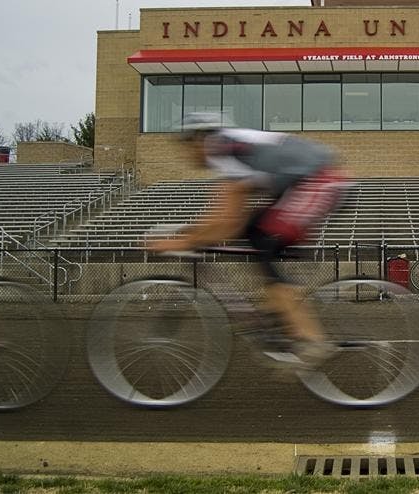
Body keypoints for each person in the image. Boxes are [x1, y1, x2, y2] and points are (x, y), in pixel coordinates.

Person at [149, 112, 348, 368]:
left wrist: (182, 241)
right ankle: (279, 308)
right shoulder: (229, 149)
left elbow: (227, 222)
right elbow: (222, 217)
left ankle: (311, 338)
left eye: (185, 146)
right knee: (253, 232)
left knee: (264, 238)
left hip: (321, 180)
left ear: (199, 139)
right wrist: (190, 234)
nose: (184, 154)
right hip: (305, 180)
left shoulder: (221, 147)